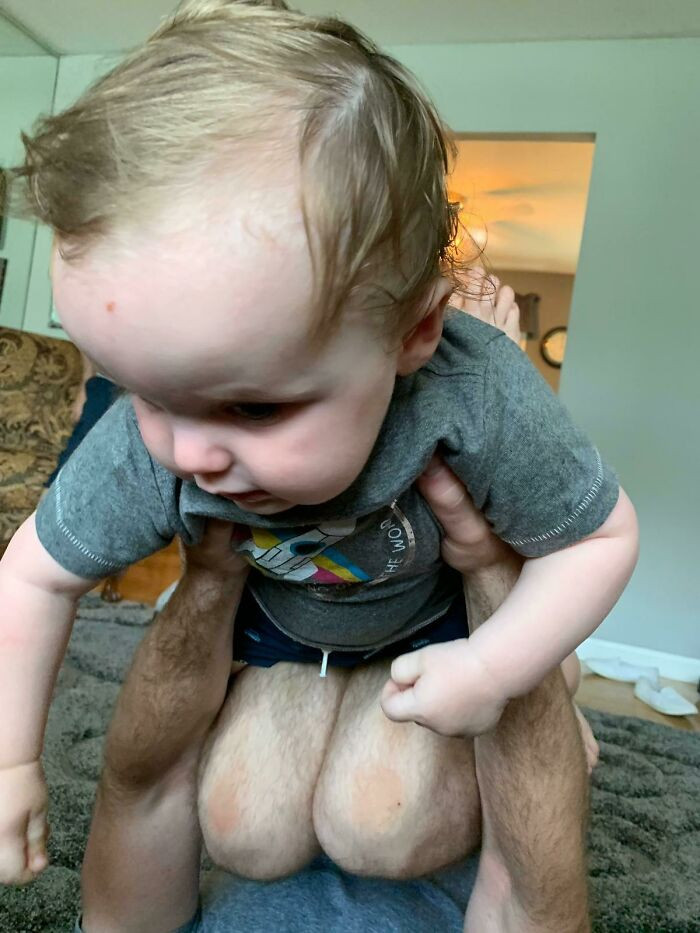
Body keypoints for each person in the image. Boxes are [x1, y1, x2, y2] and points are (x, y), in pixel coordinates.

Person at [0, 0, 638, 903]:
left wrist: (496, 668)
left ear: (414, 333)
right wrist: (10, 759)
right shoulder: (171, 428)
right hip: (281, 627)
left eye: (254, 407)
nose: (189, 455)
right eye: (142, 393)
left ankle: (554, 691)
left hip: (439, 622)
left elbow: (599, 538)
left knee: (394, 812)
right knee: (246, 829)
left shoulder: (474, 388)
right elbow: (32, 574)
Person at [77, 461, 592, 932]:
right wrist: (487, 570)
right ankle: (516, 657)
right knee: (377, 821)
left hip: (286, 621)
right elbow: (526, 898)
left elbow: (141, 791)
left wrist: (212, 576)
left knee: (249, 828)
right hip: (439, 619)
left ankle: (321, 630)